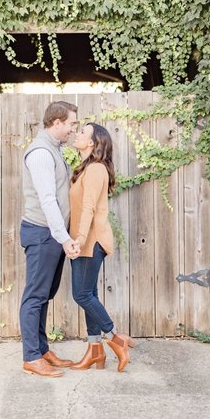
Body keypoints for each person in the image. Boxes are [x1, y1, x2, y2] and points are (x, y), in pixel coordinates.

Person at [19, 101, 82, 378]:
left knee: (45, 294)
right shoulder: (41, 153)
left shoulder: (54, 149)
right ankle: (31, 357)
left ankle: (42, 350)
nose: (73, 129)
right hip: (42, 233)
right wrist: (64, 238)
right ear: (56, 123)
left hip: (51, 234)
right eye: (71, 124)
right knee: (35, 295)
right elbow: (47, 200)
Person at [68, 122, 134, 372]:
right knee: (89, 295)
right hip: (85, 240)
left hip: (90, 241)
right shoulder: (87, 169)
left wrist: (80, 238)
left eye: (83, 132)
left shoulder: (96, 169)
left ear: (93, 143)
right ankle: (95, 351)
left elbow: (89, 208)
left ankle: (116, 339)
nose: (77, 134)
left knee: (82, 295)